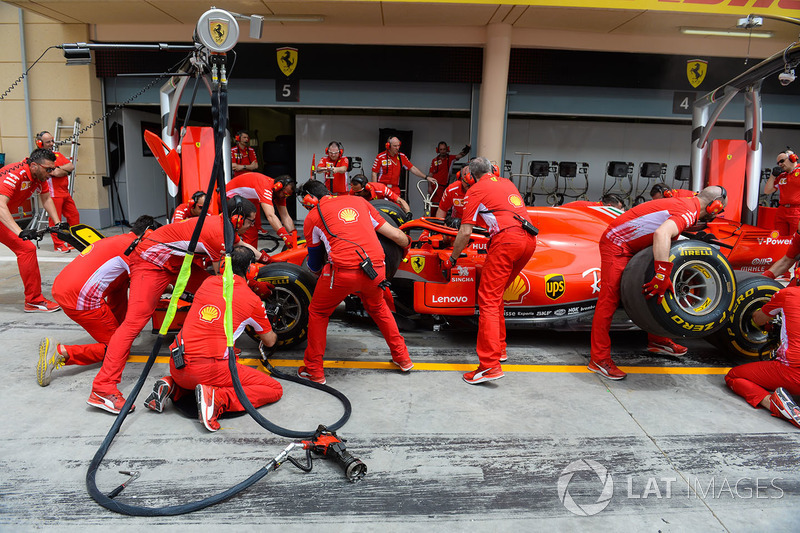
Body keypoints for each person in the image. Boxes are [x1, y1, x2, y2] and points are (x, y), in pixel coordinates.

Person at [87, 196, 259, 414]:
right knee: (134, 323)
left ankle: (216, 348)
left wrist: (266, 259)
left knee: (209, 292)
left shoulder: (225, 227)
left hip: (175, 262)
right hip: (151, 262)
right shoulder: (217, 234)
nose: (252, 226)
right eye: (250, 222)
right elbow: (224, 276)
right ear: (237, 218)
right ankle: (102, 388)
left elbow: (241, 246)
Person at [589, 185, 729, 380]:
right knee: (609, 300)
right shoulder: (689, 211)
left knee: (659, 287)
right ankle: (599, 359)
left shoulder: (689, 202)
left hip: (637, 243)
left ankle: (657, 340)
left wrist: (662, 277)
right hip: (618, 243)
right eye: (719, 211)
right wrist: (662, 273)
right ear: (715, 206)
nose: (717, 214)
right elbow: (661, 234)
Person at [143, 247, 282, 432]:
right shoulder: (252, 300)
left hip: (177, 365)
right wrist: (266, 320)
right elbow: (269, 341)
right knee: (273, 388)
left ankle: (172, 386)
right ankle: (217, 398)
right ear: (250, 270)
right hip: (208, 371)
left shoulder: (207, 283)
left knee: (217, 360)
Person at [297, 179, 414, 384]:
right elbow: (395, 234)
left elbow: (314, 262)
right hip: (376, 270)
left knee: (318, 312)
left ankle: (314, 370)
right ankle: (403, 358)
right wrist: (407, 246)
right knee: (378, 308)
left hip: (341, 274)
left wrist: (316, 273)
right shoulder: (360, 202)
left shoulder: (314, 216)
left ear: (310, 199)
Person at [448, 157, 538, 384]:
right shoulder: (508, 183)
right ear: (493, 170)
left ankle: (489, 366)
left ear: (470, 176)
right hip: (529, 241)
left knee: (487, 298)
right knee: (496, 296)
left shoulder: (475, 190)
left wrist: (453, 257)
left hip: (506, 241)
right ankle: (500, 349)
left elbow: (465, 232)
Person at [37, 215, 157, 386]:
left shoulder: (116, 240)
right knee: (117, 349)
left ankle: (118, 329)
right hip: (80, 298)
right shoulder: (132, 249)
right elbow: (147, 284)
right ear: (147, 233)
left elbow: (122, 283)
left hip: (63, 286)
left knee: (121, 280)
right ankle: (61, 352)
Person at [724, 276, 800, 429]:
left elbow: (758, 319)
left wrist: (756, 314)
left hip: (792, 373)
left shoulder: (788, 294)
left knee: (734, 376)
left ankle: (772, 403)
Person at [0, 148, 63, 312]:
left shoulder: (38, 176)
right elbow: (0, 205)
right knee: (26, 248)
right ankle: (34, 300)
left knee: (26, 249)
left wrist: (58, 223)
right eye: (48, 169)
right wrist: (19, 231)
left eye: (53, 169)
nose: (51, 173)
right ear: (34, 165)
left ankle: (33, 300)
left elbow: (47, 199)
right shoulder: (14, 174)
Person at [225, 172, 296, 249]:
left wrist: (293, 235)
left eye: (287, 195)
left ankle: (251, 257)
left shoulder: (279, 194)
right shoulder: (265, 186)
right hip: (227, 198)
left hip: (241, 200)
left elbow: (285, 216)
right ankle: (243, 256)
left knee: (251, 232)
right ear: (278, 187)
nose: (285, 197)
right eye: (285, 194)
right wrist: (285, 236)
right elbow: (270, 216)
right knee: (247, 229)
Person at [37, 131, 79, 253]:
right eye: (48, 142)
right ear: (40, 144)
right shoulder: (41, 158)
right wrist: (62, 171)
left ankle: (73, 241)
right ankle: (59, 244)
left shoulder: (57, 154)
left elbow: (70, 166)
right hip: (53, 194)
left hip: (64, 193)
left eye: (52, 141)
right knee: (55, 220)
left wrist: (59, 170)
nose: (51, 143)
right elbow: (53, 173)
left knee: (74, 216)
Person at [764, 150, 800, 235]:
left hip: (796, 210)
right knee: (780, 239)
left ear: (792, 158)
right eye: (778, 163)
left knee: (795, 239)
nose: (780, 164)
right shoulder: (781, 176)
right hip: (782, 210)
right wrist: (773, 175)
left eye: (782, 161)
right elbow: (767, 191)